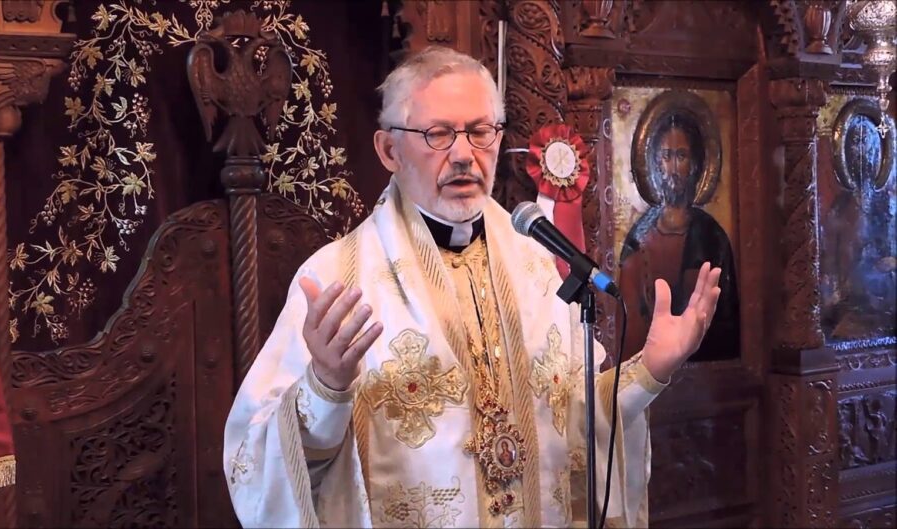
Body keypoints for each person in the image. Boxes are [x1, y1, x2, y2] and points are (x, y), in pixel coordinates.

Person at [223, 46, 722, 528]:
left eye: (481, 131)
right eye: (438, 134)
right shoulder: (336, 279)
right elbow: (257, 467)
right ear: (390, 150)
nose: (464, 154)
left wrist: (651, 370)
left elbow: (577, 425)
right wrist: (325, 386)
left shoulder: (535, 266)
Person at [618, 113, 738, 362]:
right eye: (666, 156)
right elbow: (628, 322)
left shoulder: (712, 237)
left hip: (706, 372)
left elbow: (726, 322)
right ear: (655, 163)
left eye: (681, 156)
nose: (673, 169)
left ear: (694, 165)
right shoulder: (639, 237)